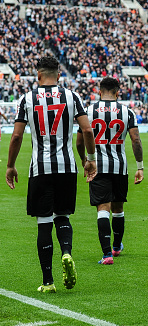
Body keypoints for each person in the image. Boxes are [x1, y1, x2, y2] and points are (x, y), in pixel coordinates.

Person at [5, 56, 97, 293]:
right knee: (63, 216)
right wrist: (90, 160)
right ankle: (66, 252)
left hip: (40, 169)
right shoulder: (72, 96)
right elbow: (87, 129)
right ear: (59, 74)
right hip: (67, 167)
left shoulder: (27, 99)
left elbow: (16, 136)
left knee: (43, 223)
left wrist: (10, 165)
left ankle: (48, 282)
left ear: (38, 75)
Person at [75, 77, 144, 265]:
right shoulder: (127, 112)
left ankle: (107, 255)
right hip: (119, 167)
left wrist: (85, 160)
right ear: (117, 92)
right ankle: (116, 245)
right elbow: (136, 141)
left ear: (99, 91)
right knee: (118, 209)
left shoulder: (88, 111)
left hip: (98, 166)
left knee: (102, 209)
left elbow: (80, 142)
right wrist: (140, 167)